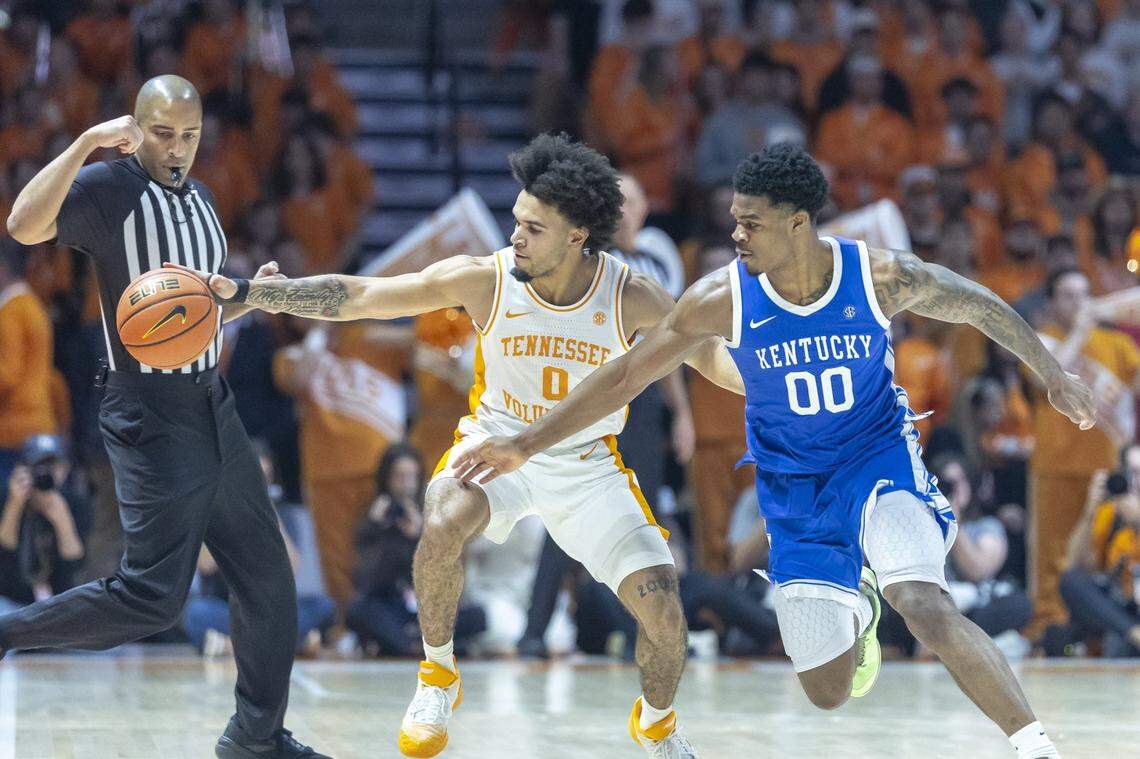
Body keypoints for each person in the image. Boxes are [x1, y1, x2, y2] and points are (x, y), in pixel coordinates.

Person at [453, 144, 1095, 759]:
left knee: (924, 601)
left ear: (797, 224)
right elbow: (625, 376)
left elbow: (979, 304)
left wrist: (1054, 375)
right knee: (827, 691)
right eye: (735, 221)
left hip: (877, 461)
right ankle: (859, 601)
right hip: (795, 489)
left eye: (750, 224)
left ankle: (1035, 746)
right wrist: (524, 443)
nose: (736, 235)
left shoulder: (877, 276)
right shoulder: (720, 297)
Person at [191, 133, 745, 758]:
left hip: (586, 465)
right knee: (446, 516)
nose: (515, 236)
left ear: (577, 235)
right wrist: (264, 293)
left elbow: (710, 358)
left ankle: (658, 723)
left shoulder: (632, 293)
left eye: (534, 229)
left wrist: (780, 386)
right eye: (516, 221)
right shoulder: (487, 279)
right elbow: (365, 296)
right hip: (497, 443)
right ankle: (437, 675)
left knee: (666, 615)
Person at [2, 76, 328, 759]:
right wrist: (88, 141)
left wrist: (252, 296)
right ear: (136, 128)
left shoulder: (203, 198)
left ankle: (256, 738)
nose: (178, 148)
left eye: (190, 135)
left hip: (214, 400)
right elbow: (23, 224)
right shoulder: (109, 189)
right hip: (150, 413)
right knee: (153, 597)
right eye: (163, 133)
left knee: (268, 577)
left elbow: (187, 312)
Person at [347, 443, 486, 657]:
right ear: (386, 479)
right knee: (358, 611)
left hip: (424, 610)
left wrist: (420, 537)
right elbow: (366, 582)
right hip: (388, 608)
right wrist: (378, 531)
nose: (406, 485)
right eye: (399, 477)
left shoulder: (432, 517)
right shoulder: (371, 521)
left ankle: (406, 645)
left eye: (411, 477)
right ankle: (425, 647)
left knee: (478, 616)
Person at [1060, 445, 1140, 657]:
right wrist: (1090, 509)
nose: (1137, 481)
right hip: (1124, 608)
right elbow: (1075, 564)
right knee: (1070, 580)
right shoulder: (1112, 512)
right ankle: (1133, 633)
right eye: (1132, 473)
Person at [0, 435, 89, 614]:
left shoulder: (75, 502)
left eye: (53, 466)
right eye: (39, 466)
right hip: (11, 600)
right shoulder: (6, 497)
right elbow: (3, 553)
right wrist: (14, 506)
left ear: (65, 469)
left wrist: (62, 520)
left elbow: (76, 562)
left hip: (59, 603)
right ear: (22, 469)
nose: (45, 473)